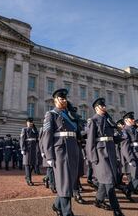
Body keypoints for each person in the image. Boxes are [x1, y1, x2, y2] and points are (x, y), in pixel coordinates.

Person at [41, 88, 79, 216]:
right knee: (65, 181)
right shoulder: (51, 114)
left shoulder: (70, 114)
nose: (64, 100)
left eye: (65, 98)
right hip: (60, 151)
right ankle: (67, 212)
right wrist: (49, 156)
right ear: (55, 100)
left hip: (72, 149)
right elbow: (47, 136)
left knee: (69, 181)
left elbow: (79, 132)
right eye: (62, 98)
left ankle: (57, 205)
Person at [86, 98, 124, 216]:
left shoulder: (109, 120)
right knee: (109, 181)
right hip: (100, 153)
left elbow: (113, 137)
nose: (104, 107)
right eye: (102, 106)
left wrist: (121, 135)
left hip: (111, 151)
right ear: (97, 108)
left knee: (104, 180)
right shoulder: (93, 120)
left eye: (104, 105)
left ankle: (98, 200)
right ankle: (116, 209)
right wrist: (93, 158)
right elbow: (90, 141)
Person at [20, 117, 39, 186]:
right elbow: (22, 140)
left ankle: (27, 176)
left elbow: (37, 139)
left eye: (31, 122)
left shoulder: (34, 129)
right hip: (27, 149)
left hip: (33, 149)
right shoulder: (24, 129)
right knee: (27, 165)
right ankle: (29, 180)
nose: (30, 123)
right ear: (27, 123)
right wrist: (22, 149)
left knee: (33, 165)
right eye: (29, 122)